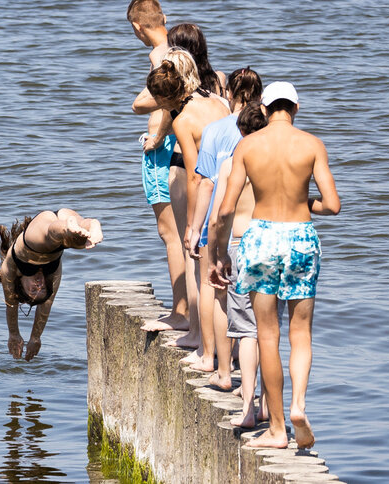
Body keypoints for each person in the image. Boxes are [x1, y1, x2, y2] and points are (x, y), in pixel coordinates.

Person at [208, 82, 340, 449]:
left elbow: (226, 208)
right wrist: (303, 201)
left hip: (260, 237)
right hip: (301, 236)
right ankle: (298, 405)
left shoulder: (248, 145)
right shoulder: (312, 144)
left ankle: (278, 428)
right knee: (301, 333)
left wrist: (218, 256)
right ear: (296, 108)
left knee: (267, 334)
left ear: (264, 111)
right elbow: (332, 205)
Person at [145, 47, 230, 367]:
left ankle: (203, 345)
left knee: (201, 270)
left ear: (165, 100)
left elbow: (196, 176)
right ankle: (225, 348)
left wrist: (194, 227)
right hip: (232, 188)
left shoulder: (182, 120)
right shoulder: (217, 103)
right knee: (222, 271)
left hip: (205, 193)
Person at [186, 67, 263, 388]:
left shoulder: (216, 129)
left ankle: (214, 361)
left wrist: (194, 227)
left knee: (214, 290)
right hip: (256, 227)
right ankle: (238, 359)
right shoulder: (265, 130)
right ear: (260, 96)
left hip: (219, 220)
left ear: (228, 93)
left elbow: (204, 183)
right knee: (254, 306)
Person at [206, 101, 271, 427]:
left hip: (242, 243)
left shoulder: (234, 163)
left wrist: (217, 257)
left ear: (241, 132)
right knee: (269, 331)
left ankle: (248, 406)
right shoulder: (277, 161)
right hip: (275, 243)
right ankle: (269, 407)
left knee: (246, 331)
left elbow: (219, 216)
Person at [127, 0, 190, 331]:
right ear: (162, 18)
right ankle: (187, 309)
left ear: (137, 27)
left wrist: (158, 134)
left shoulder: (160, 56)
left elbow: (169, 97)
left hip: (164, 150)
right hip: (180, 147)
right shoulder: (181, 49)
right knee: (182, 231)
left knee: (172, 233)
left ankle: (181, 311)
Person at [0, 209, 103, 362]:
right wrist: (36, 338)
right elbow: (46, 305)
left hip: (35, 237)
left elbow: (11, 305)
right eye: (43, 288)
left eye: (33, 289)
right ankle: (92, 224)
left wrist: (14, 334)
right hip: (62, 225)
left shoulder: (11, 269)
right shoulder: (52, 273)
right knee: (79, 241)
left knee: (50, 237)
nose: (40, 284)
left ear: (20, 285)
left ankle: (68, 227)